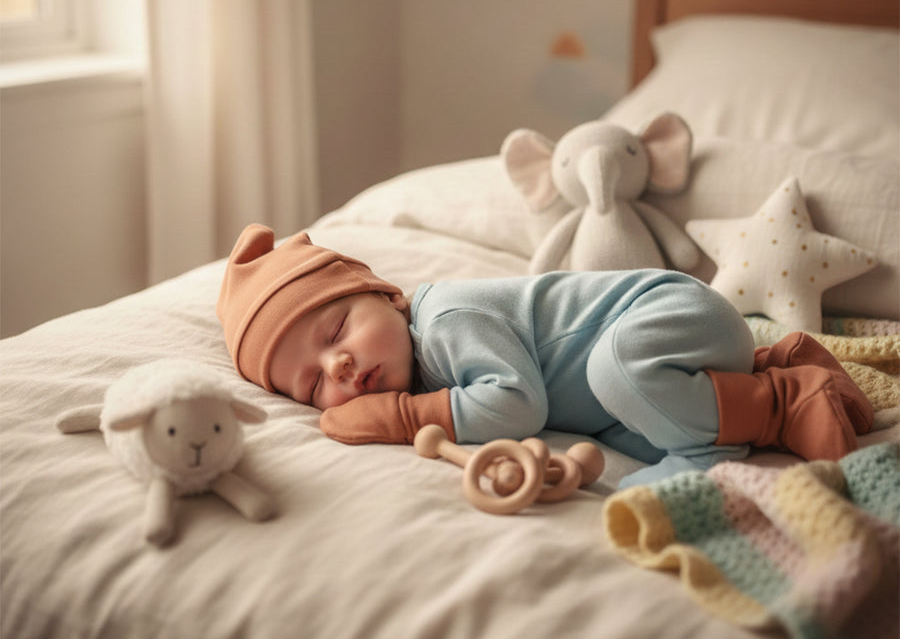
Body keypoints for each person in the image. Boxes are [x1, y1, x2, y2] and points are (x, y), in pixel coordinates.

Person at [217, 225, 874, 488]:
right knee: (633, 429)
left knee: (617, 372)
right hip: (666, 360)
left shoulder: (444, 320)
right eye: (309, 387)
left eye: (336, 330)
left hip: (668, 311)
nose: (336, 368)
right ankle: (772, 369)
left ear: (384, 296)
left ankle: (779, 405)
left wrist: (400, 416)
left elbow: (517, 404)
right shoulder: (418, 354)